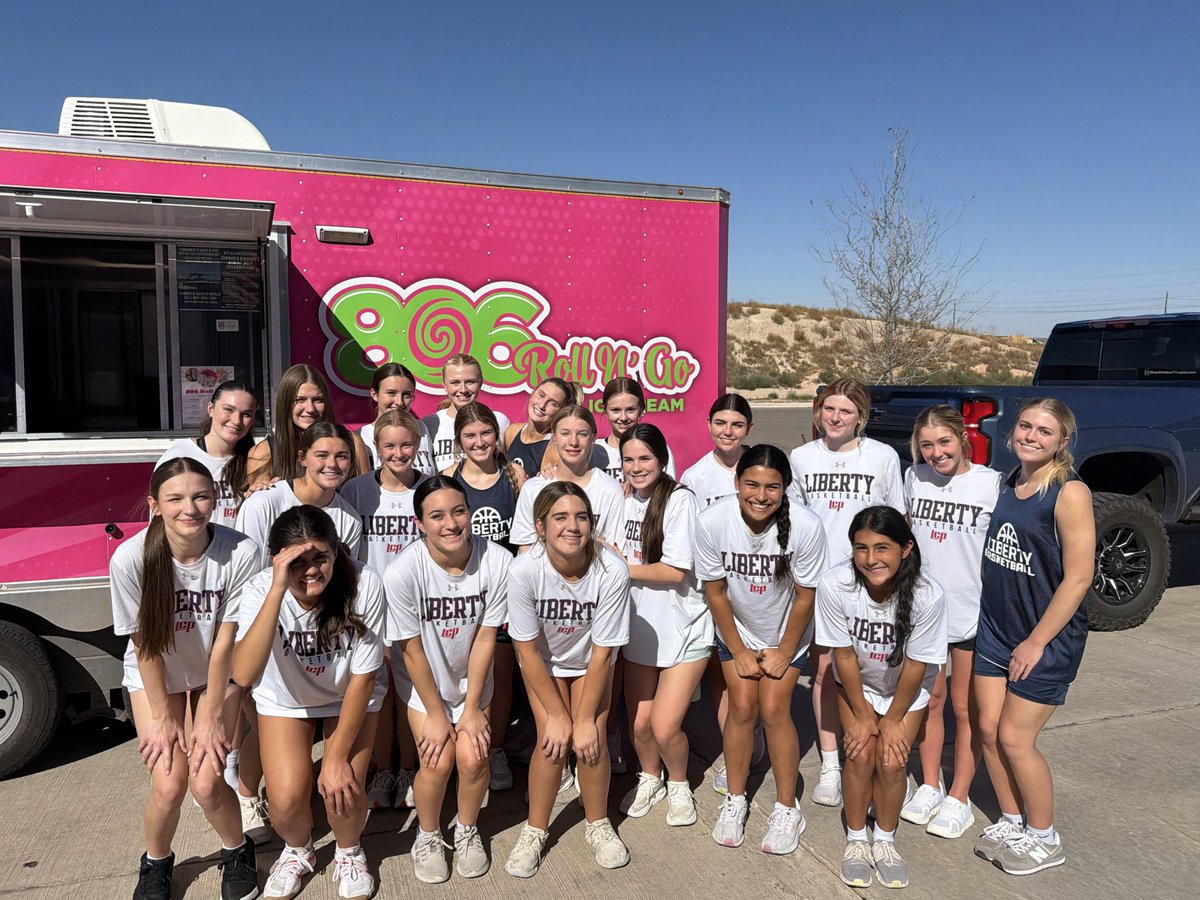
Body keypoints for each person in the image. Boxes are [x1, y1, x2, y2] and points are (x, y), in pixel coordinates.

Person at [110, 458, 260, 900]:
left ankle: (237, 850)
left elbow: (227, 643)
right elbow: (146, 644)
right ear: (155, 505)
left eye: (200, 496)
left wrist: (213, 711)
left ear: (215, 498)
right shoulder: (130, 558)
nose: (189, 508)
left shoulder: (241, 552)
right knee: (171, 784)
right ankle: (156, 862)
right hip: (157, 675)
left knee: (210, 781)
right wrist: (162, 716)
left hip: (218, 674)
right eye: (175, 498)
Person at [232, 505, 386, 900]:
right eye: (297, 561)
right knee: (284, 801)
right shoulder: (260, 590)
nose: (311, 569)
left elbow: (363, 679)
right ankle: (298, 851)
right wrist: (277, 590)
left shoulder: (365, 584)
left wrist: (335, 760)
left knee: (343, 788)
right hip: (288, 699)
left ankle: (350, 851)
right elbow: (245, 674)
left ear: (337, 551)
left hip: (349, 693)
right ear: (277, 561)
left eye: (320, 556)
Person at [972, 399, 1093, 876]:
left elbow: (1079, 577)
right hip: (997, 630)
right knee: (987, 732)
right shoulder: (1009, 480)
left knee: (1015, 738)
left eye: (1044, 431)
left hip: (1043, 637)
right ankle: (1012, 818)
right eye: (1025, 425)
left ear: (1062, 442)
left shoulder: (1069, 492)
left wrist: (1037, 641)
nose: (1031, 436)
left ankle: (1045, 839)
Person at [694, 445, 828, 855]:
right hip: (736, 632)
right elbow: (715, 592)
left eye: (773, 487)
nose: (761, 494)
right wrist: (739, 649)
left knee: (773, 710)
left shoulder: (806, 526)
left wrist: (784, 652)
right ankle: (736, 799)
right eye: (751, 483)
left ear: (785, 489)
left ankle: (788, 807)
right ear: (736, 483)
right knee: (741, 708)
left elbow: (806, 597)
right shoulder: (712, 521)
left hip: (788, 634)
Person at [383, 476, 512, 883]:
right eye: (436, 516)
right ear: (420, 523)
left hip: (472, 679)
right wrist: (438, 713)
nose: (451, 523)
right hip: (425, 685)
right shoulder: (403, 572)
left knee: (473, 758)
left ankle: (468, 829)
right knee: (437, 762)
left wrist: (472, 708)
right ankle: (428, 833)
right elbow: (412, 651)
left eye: (458, 511)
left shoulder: (497, 561)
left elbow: (486, 637)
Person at [815, 506, 948, 890]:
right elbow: (842, 655)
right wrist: (861, 714)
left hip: (907, 689)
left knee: (891, 762)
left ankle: (885, 840)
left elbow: (916, 665)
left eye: (882, 548)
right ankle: (857, 839)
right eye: (861, 548)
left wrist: (891, 721)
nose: (871, 559)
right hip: (856, 684)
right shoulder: (835, 585)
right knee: (859, 754)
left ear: (906, 548)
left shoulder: (928, 595)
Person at [503, 483, 632, 878]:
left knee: (590, 737)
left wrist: (583, 719)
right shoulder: (524, 570)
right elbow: (525, 650)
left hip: (592, 662)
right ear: (540, 526)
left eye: (581, 517)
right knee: (551, 740)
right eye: (560, 517)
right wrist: (559, 718)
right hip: (545, 664)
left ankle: (597, 823)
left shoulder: (612, 569)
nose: (572, 526)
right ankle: (535, 829)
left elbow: (604, 652)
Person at [788, 377, 903, 808]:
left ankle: (876, 753)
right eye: (829, 410)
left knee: (873, 671)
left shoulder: (883, 457)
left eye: (846, 412)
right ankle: (832, 763)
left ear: (861, 418)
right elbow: (795, 519)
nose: (836, 418)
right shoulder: (801, 457)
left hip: (870, 579)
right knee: (824, 674)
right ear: (819, 412)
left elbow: (897, 518)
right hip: (821, 582)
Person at [502, 403, 624, 789]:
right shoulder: (536, 488)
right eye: (565, 433)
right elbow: (524, 550)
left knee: (593, 730)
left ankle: (595, 807)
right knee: (551, 733)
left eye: (582, 433)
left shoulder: (608, 489)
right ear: (553, 437)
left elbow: (612, 552)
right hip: (547, 625)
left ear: (594, 438)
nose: (573, 441)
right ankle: (546, 802)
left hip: (591, 624)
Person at [899, 405, 1001, 838]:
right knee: (930, 702)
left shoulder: (990, 485)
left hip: (969, 611)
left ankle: (959, 796)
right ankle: (930, 783)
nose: (936, 453)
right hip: (923, 611)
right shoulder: (913, 478)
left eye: (944, 442)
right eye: (926, 445)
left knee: (965, 708)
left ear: (963, 439)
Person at [616, 424, 712, 828]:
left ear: (662, 459)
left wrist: (620, 568)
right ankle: (649, 777)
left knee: (664, 724)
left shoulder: (679, 500)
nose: (636, 467)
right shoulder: (624, 500)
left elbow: (675, 572)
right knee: (639, 724)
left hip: (684, 628)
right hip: (639, 629)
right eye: (629, 459)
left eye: (645, 459)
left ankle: (678, 783)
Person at [340, 409, 428, 811]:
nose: (398, 453)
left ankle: (409, 768)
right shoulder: (356, 491)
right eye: (389, 445)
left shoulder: (430, 488)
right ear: (376, 448)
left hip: (417, 608)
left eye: (406, 444)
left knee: (408, 693)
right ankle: (382, 769)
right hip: (369, 609)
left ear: (418, 444)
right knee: (378, 694)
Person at [679, 393, 761, 795]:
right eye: (720, 423)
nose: (727, 432)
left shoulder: (760, 466)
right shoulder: (695, 477)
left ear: (749, 429)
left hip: (761, 588)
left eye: (736, 425)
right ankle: (736, 752)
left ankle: (751, 732)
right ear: (709, 424)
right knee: (723, 674)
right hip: (717, 591)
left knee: (759, 672)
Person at [236, 422, 364, 568]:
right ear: (302, 458)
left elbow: (342, 577)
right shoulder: (262, 503)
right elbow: (247, 574)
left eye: (341, 456)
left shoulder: (350, 520)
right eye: (322, 455)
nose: (332, 464)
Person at [247, 364, 369, 489]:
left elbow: (364, 497)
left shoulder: (353, 443)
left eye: (318, 400)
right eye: (300, 400)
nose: (310, 409)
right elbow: (260, 501)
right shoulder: (263, 453)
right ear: (285, 403)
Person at [156, 379, 259, 527]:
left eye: (246, 414)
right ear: (210, 409)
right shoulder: (179, 456)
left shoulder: (257, 460)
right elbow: (160, 520)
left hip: (241, 549)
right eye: (228, 409)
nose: (237, 420)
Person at [443, 401, 525, 552]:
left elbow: (526, 536)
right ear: (459, 439)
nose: (479, 443)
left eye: (486, 433)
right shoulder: (448, 478)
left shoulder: (516, 473)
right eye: (470, 436)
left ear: (496, 433)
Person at [423, 354, 512, 472]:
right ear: (444, 385)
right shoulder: (430, 424)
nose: (463, 389)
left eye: (470, 382)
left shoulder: (499, 420)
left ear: (481, 383)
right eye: (455, 383)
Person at [590, 377, 676, 481]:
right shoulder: (593, 451)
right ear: (605, 411)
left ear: (641, 410)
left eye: (630, 410)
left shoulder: (655, 446)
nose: (623, 418)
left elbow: (667, 490)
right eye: (616, 410)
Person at [358, 362, 435, 473]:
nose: (399, 402)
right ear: (375, 394)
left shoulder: (421, 428)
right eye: (391, 393)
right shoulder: (362, 437)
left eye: (406, 395)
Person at [503, 376, 573, 474]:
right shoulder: (512, 432)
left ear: (561, 413)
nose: (541, 405)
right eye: (541, 395)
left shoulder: (554, 449)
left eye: (553, 404)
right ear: (532, 394)